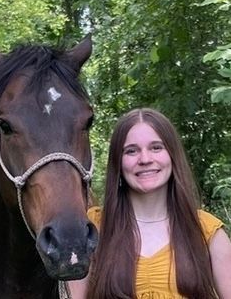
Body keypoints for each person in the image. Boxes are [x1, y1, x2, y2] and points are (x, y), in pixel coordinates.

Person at [65, 107, 231, 299]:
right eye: (131, 151)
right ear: (118, 162)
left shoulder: (207, 230)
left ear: (172, 155)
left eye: (156, 147)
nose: (145, 159)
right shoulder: (92, 227)